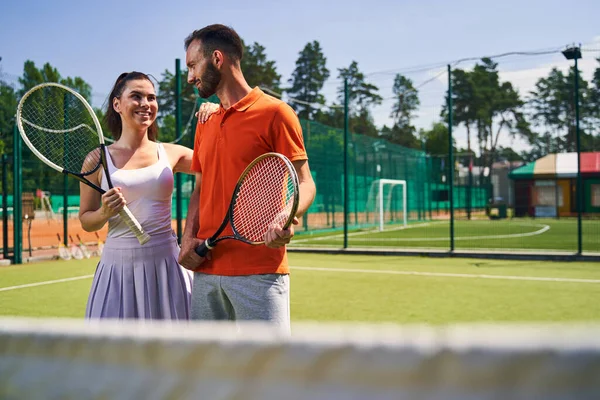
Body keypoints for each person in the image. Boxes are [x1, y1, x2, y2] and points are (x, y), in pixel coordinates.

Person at [178, 24, 317, 333]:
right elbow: (200, 189)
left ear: (216, 59)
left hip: (259, 272)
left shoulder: (277, 113)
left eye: (192, 65)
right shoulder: (206, 120)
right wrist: (188, 238)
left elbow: (305, 183)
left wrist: (287, 213)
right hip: (206, 270)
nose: (189, 77)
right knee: (209, 371)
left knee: (269, 373)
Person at [79, 71, 218, 319]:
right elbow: (86, 221)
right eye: (136, 96)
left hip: (167, 265)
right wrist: (104, 212)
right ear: (117, 104)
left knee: (175, 352)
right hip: (117, 271)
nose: (146, 104)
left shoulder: (171, 153)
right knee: (117, 353)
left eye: (151, 98)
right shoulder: (96, 159)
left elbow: (217, 161)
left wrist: (216, 113)